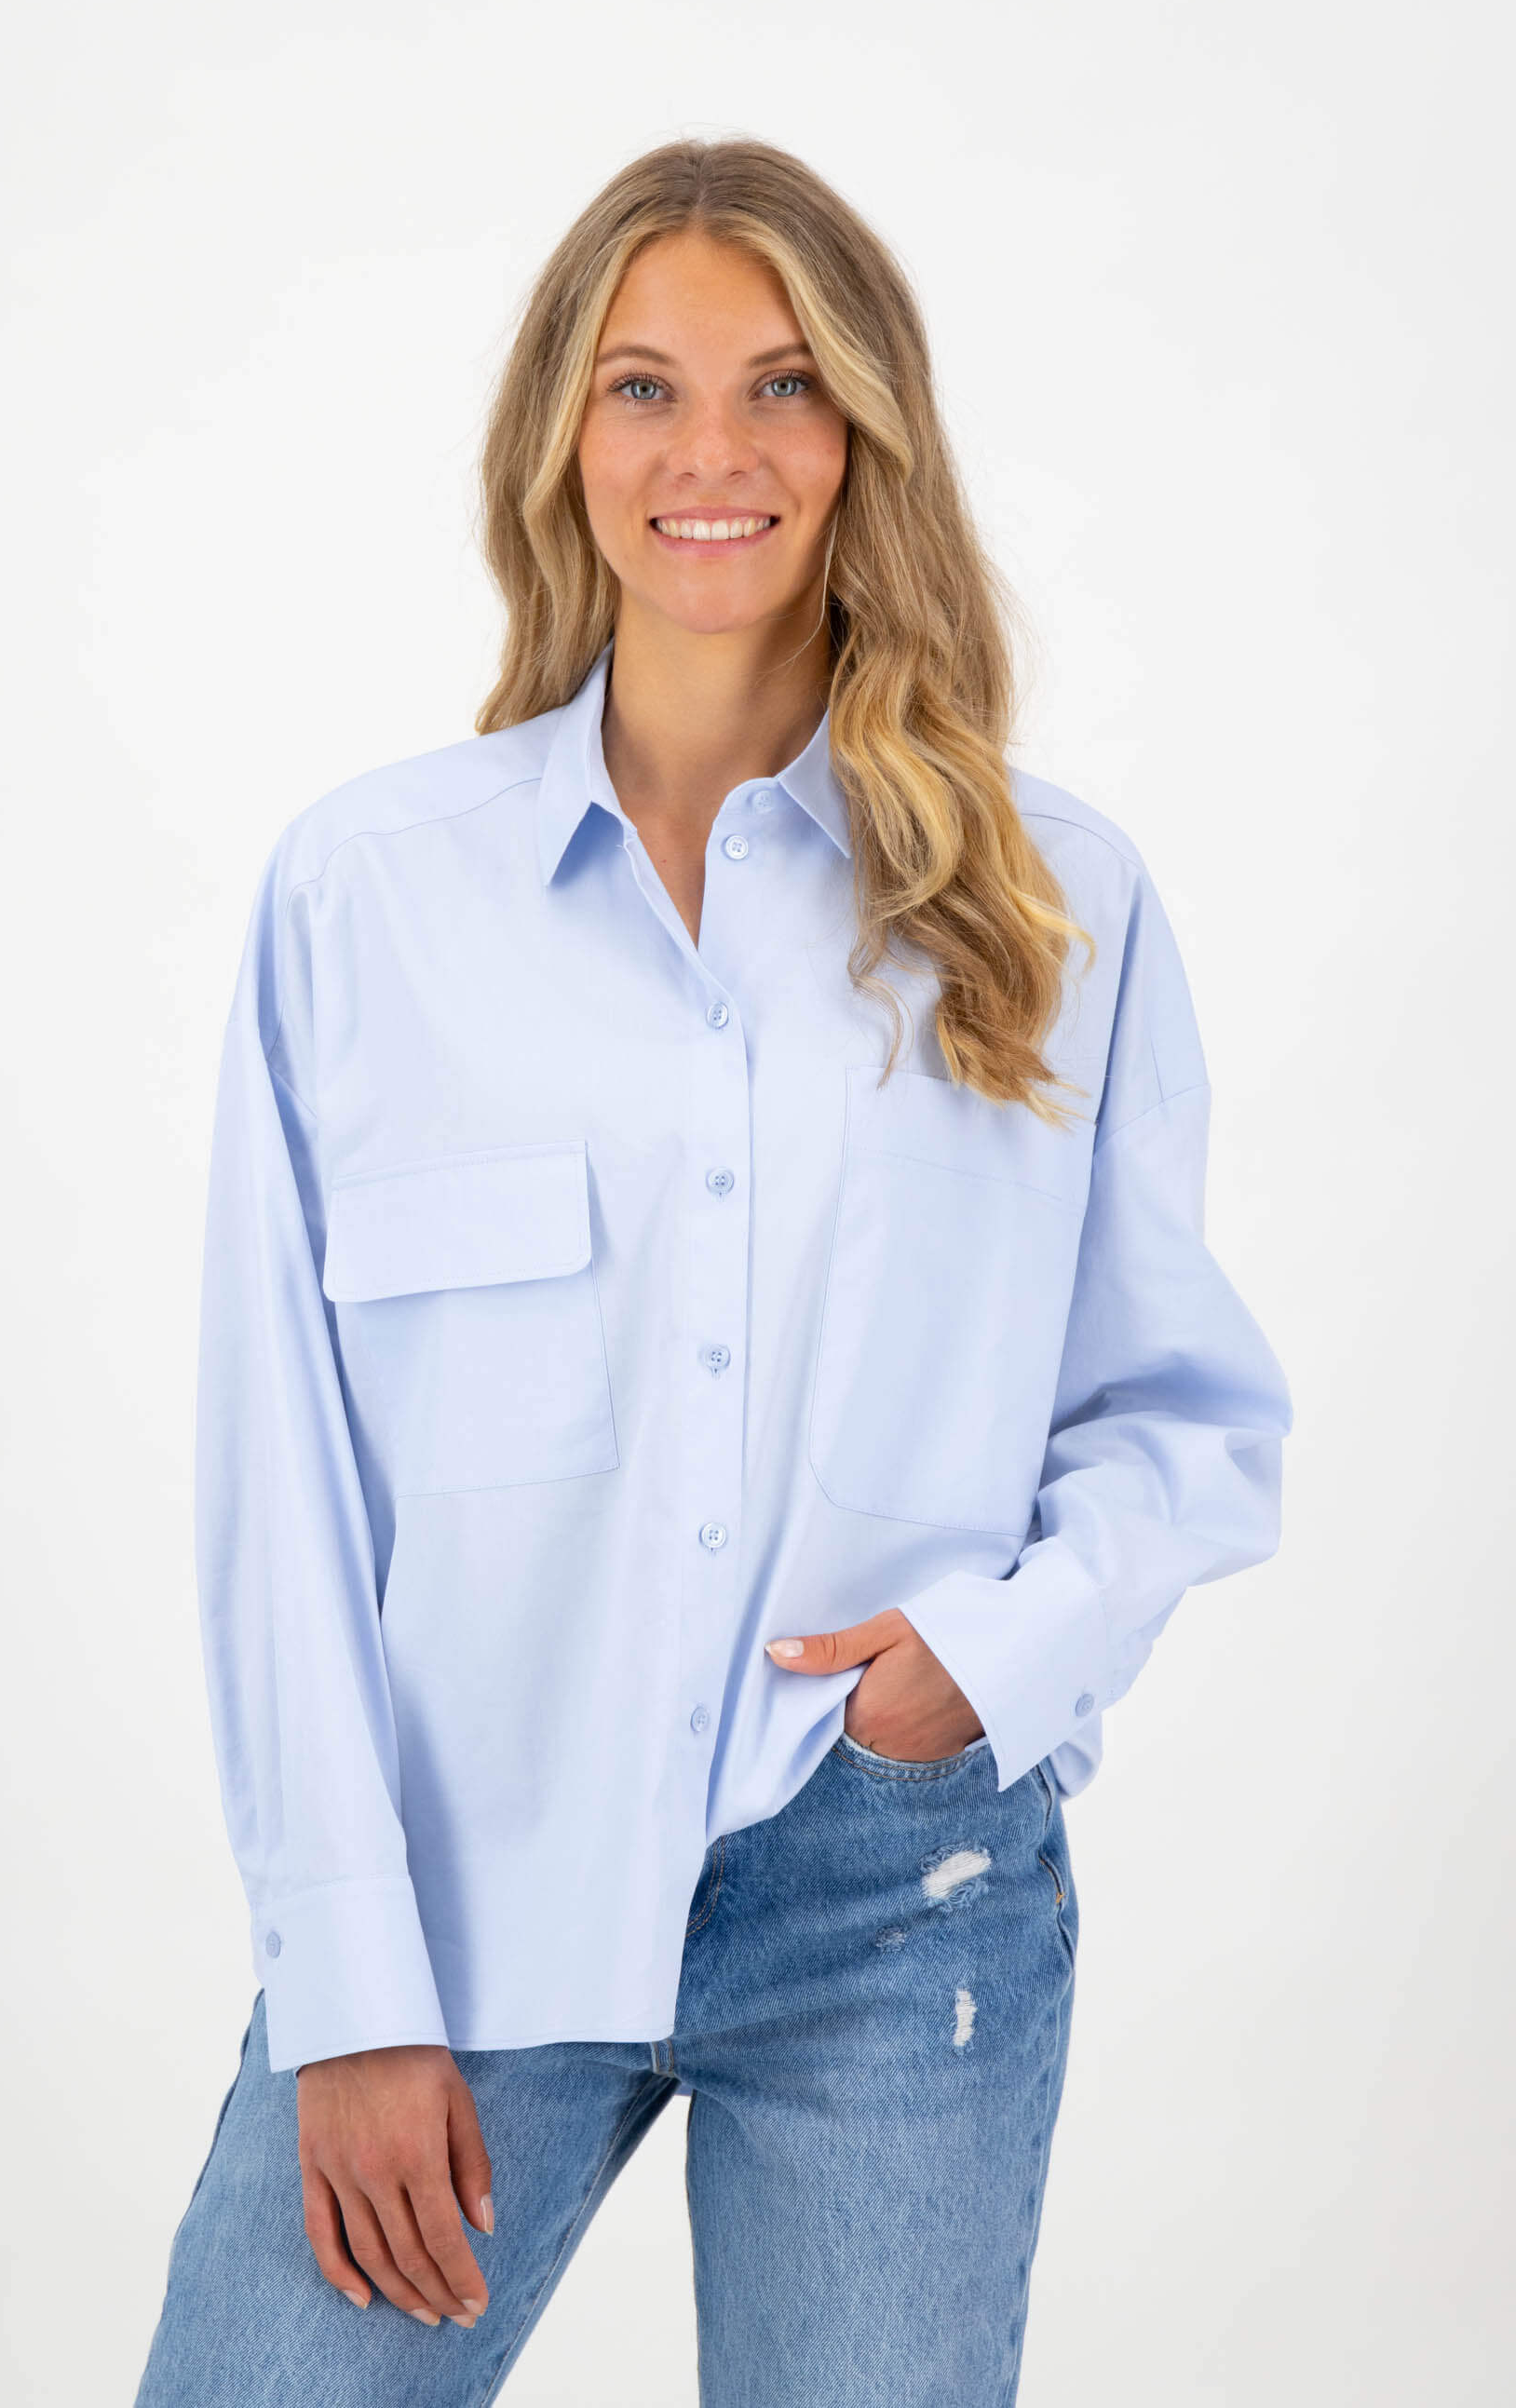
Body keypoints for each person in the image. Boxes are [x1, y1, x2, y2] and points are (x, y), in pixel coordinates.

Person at [133, 135, 1291, 2407]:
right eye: (644, 387)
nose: (714, 454)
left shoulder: (1053, 902)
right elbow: (285, 1477)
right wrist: (348, 1982)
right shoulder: (372, 900)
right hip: (459, 1892)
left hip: (893, 1897)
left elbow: (1180, 1419)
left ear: (866, 436)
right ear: (561, 439)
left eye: (784, 386)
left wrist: (983, 1662)